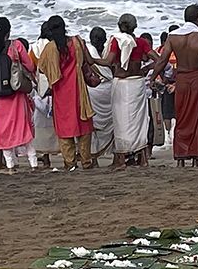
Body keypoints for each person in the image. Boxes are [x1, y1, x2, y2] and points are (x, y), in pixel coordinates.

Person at [154, 5, 198, 166]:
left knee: (182, 117)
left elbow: (162, 61)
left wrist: (153, 77)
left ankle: (181, 158)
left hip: (181, 80)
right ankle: (197, 157)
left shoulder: (173, 37)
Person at [35, 16, 95, 171]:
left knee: (64, 127)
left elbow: (41, 67)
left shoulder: (50, 48)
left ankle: (70, 162)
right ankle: (86, 161)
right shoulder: (77, 42)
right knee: (83, 125)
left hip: (61, 92)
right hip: (78, 88)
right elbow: (88, 61)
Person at [0, 18, 38, 170]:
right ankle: (33, 162)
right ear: (8, 32)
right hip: (16, 94)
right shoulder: (16, 45)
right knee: (22, 128)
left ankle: (10, 164)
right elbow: (30, 66)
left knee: (3, 131)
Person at [101, 14, 151, 168]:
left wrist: (90, 59)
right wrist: (149, 70)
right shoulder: (141, 42)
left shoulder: (117, 41)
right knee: (139, 121)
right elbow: (158, 59)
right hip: (137, 84)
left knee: (120, 121)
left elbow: (108, 61)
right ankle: (142, 158)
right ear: (135, 27)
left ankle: (121, 158)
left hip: (121, 84)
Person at [84, 26, 117, 167]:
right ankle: (116, 157)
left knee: (93, 125)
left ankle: (94, 159)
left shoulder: (88, 52)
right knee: (113, 124)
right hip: (109, 90)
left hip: (93, 91)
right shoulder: (108, 53)